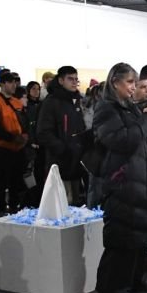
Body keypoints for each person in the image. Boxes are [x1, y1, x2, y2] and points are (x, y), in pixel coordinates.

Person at [93, 63, 147, 293]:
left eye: (136, 83)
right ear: (115, 83)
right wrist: (145, 120)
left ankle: (133, 279)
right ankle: (110, 290)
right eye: (130, 83)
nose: (134, 88)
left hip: (139, 179)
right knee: (120, 238)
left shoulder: (130, 108)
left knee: (138, 235)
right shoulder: (106, 109)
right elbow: (122, 140)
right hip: (121, 181)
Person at [37, 66, 87, 204]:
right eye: (70, 79)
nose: (74, 82)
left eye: (76, 79)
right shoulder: (51, 102)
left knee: (76, 204)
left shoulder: (76, 101)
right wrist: (62, 148)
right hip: (59, 163)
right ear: (60, 80)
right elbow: (43, 132)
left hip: (77, 163)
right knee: (62, 205)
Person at [0, 71, 29, 215]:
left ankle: (14, 203)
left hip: (19, 146)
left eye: (15, 82)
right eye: (10, 82)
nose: (14, 85)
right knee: (2, 178)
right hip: (2, 147)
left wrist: (25, 136)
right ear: (3, 84)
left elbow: (24, 122)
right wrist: (12, 138)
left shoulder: (17, 102)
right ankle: (0, 206)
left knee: (16, 178)